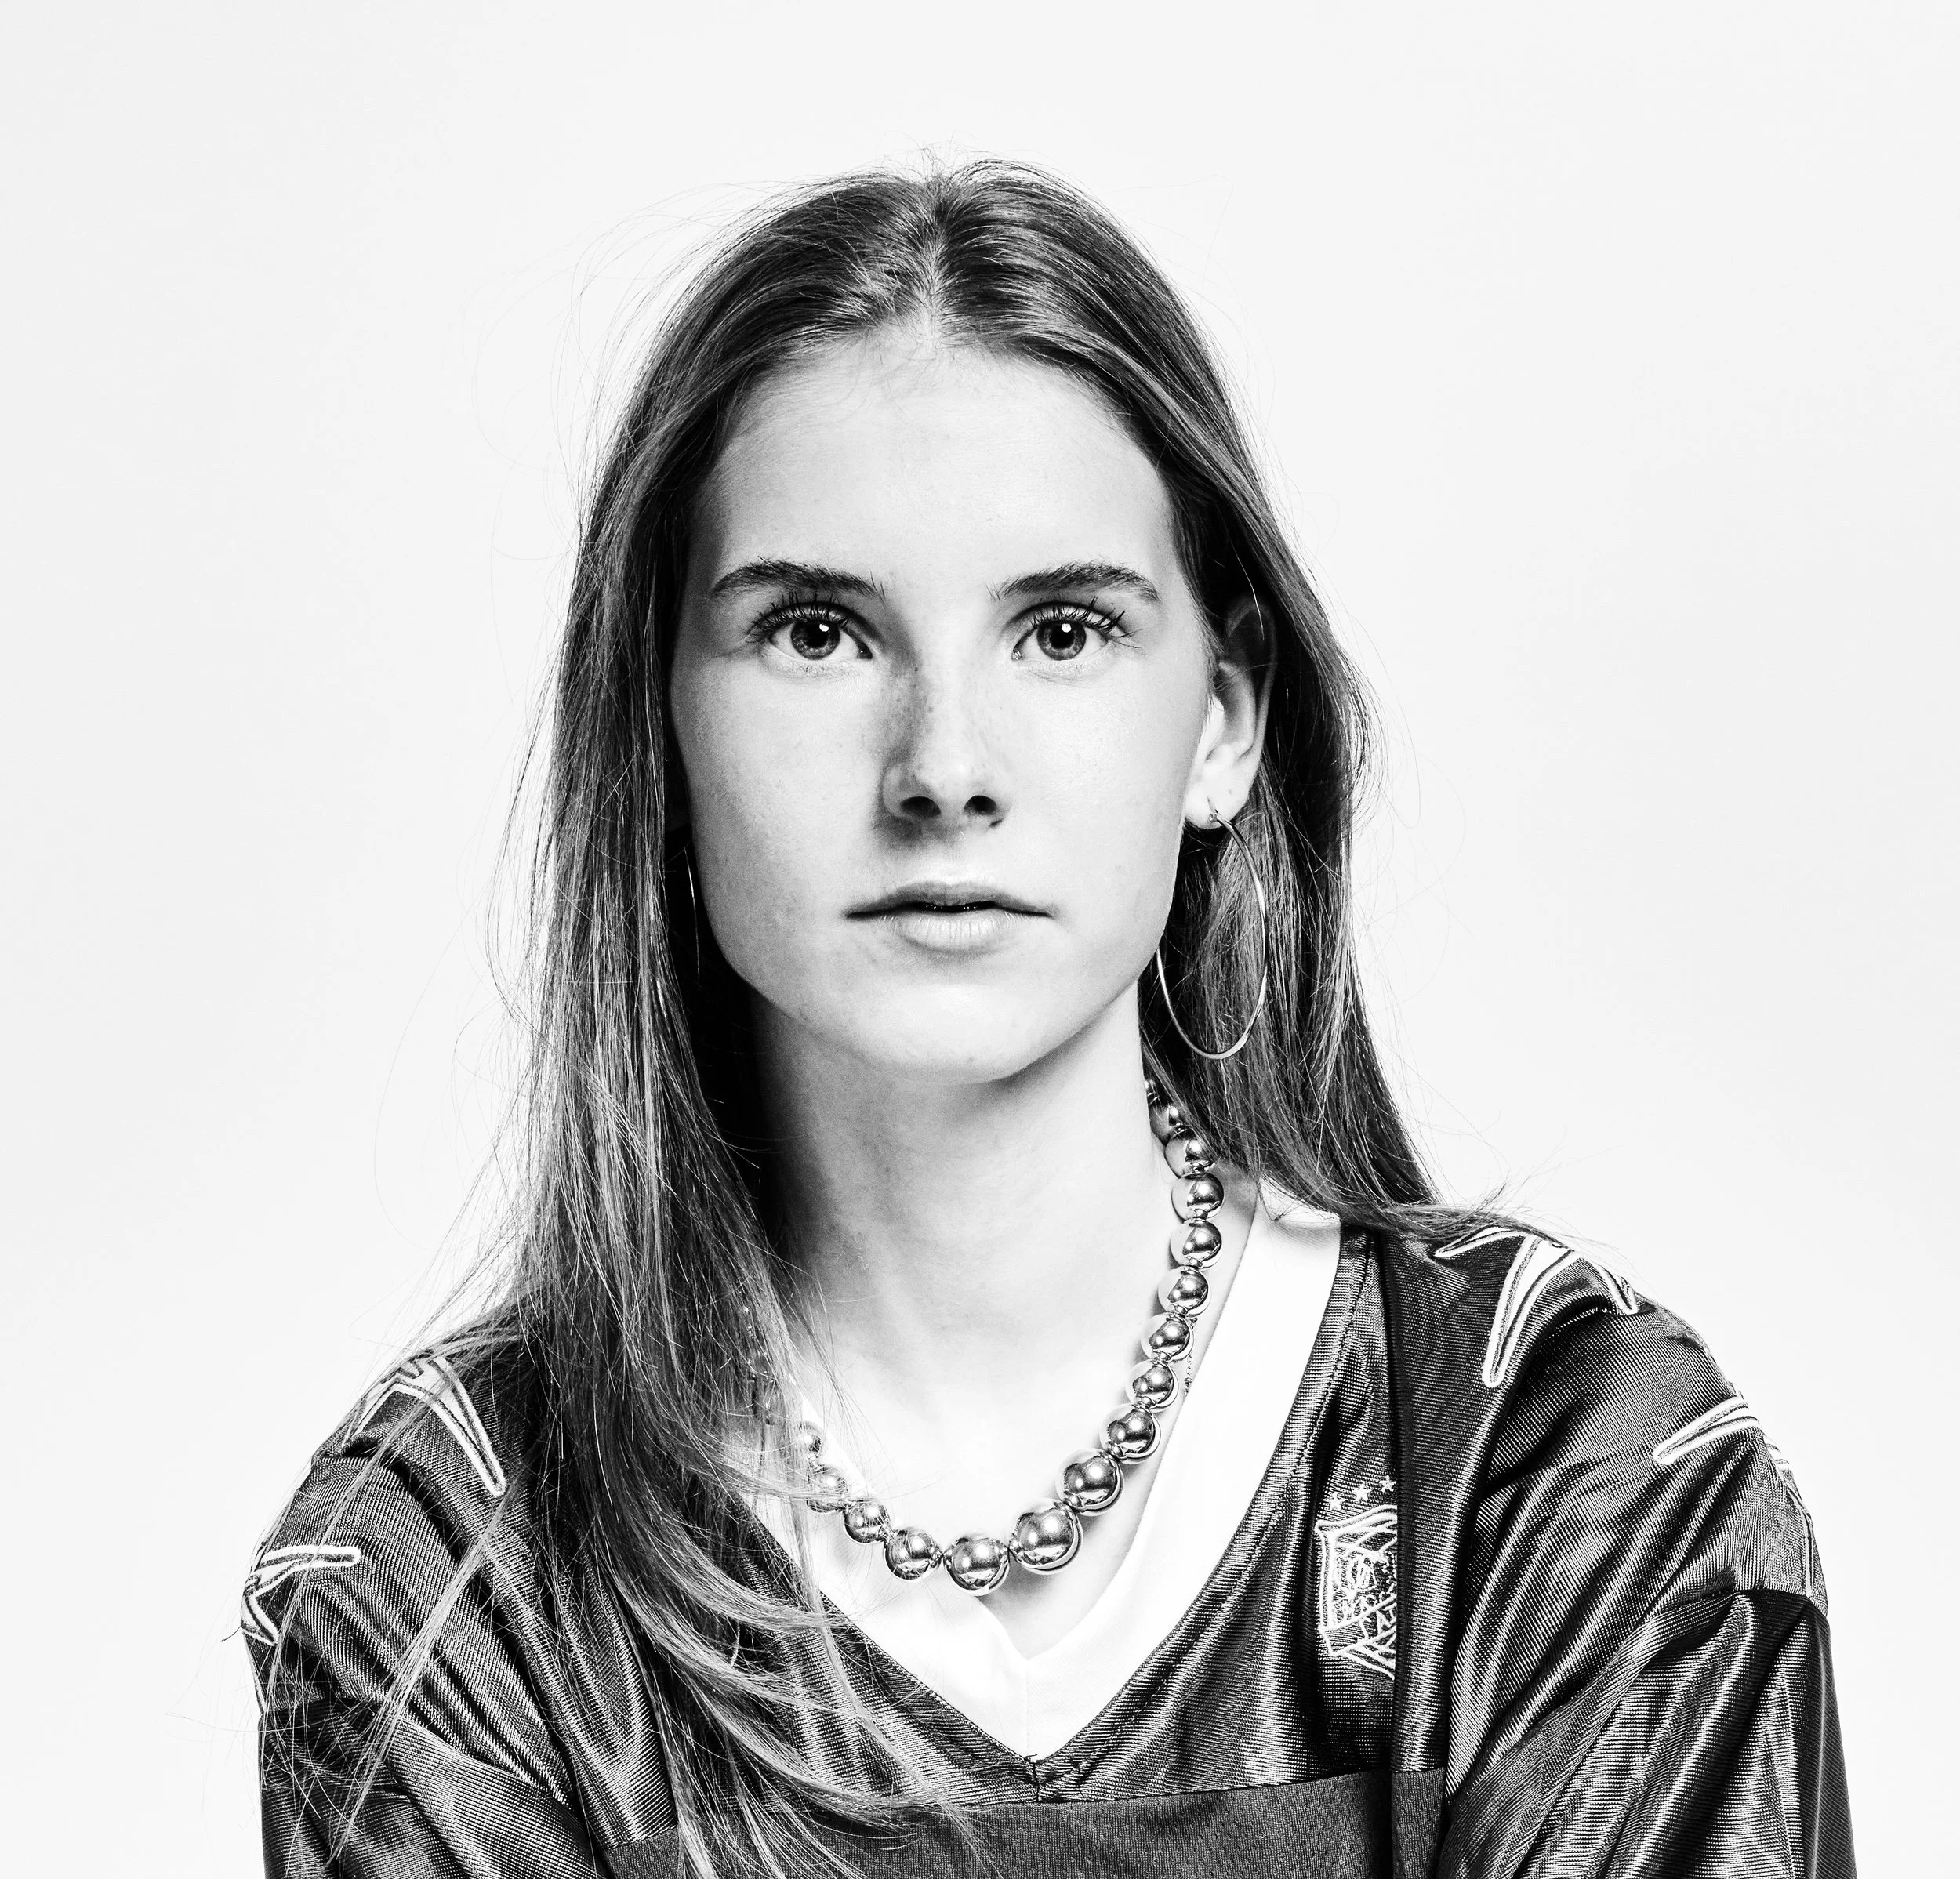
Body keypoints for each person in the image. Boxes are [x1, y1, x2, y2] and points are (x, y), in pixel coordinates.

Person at [244, 160, 1853, 1878]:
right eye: (815, 632)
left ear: (1223, 717)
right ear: (660, 726)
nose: (943, 768)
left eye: (1063, 630)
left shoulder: (1563, 1475)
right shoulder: (453, 1564)